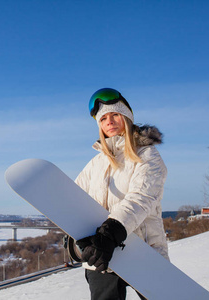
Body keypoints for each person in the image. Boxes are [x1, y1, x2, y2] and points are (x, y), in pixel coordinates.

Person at [75, 88, 169, 300]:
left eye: (115, 114)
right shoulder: (95, 164)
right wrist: (78, 241)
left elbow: (141, 199)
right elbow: (75, 202)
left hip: (143, 251)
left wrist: (110, 233)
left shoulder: (147, 155)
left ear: (126, 117)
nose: (109, 121)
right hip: (102, 256)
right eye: (103, 118)